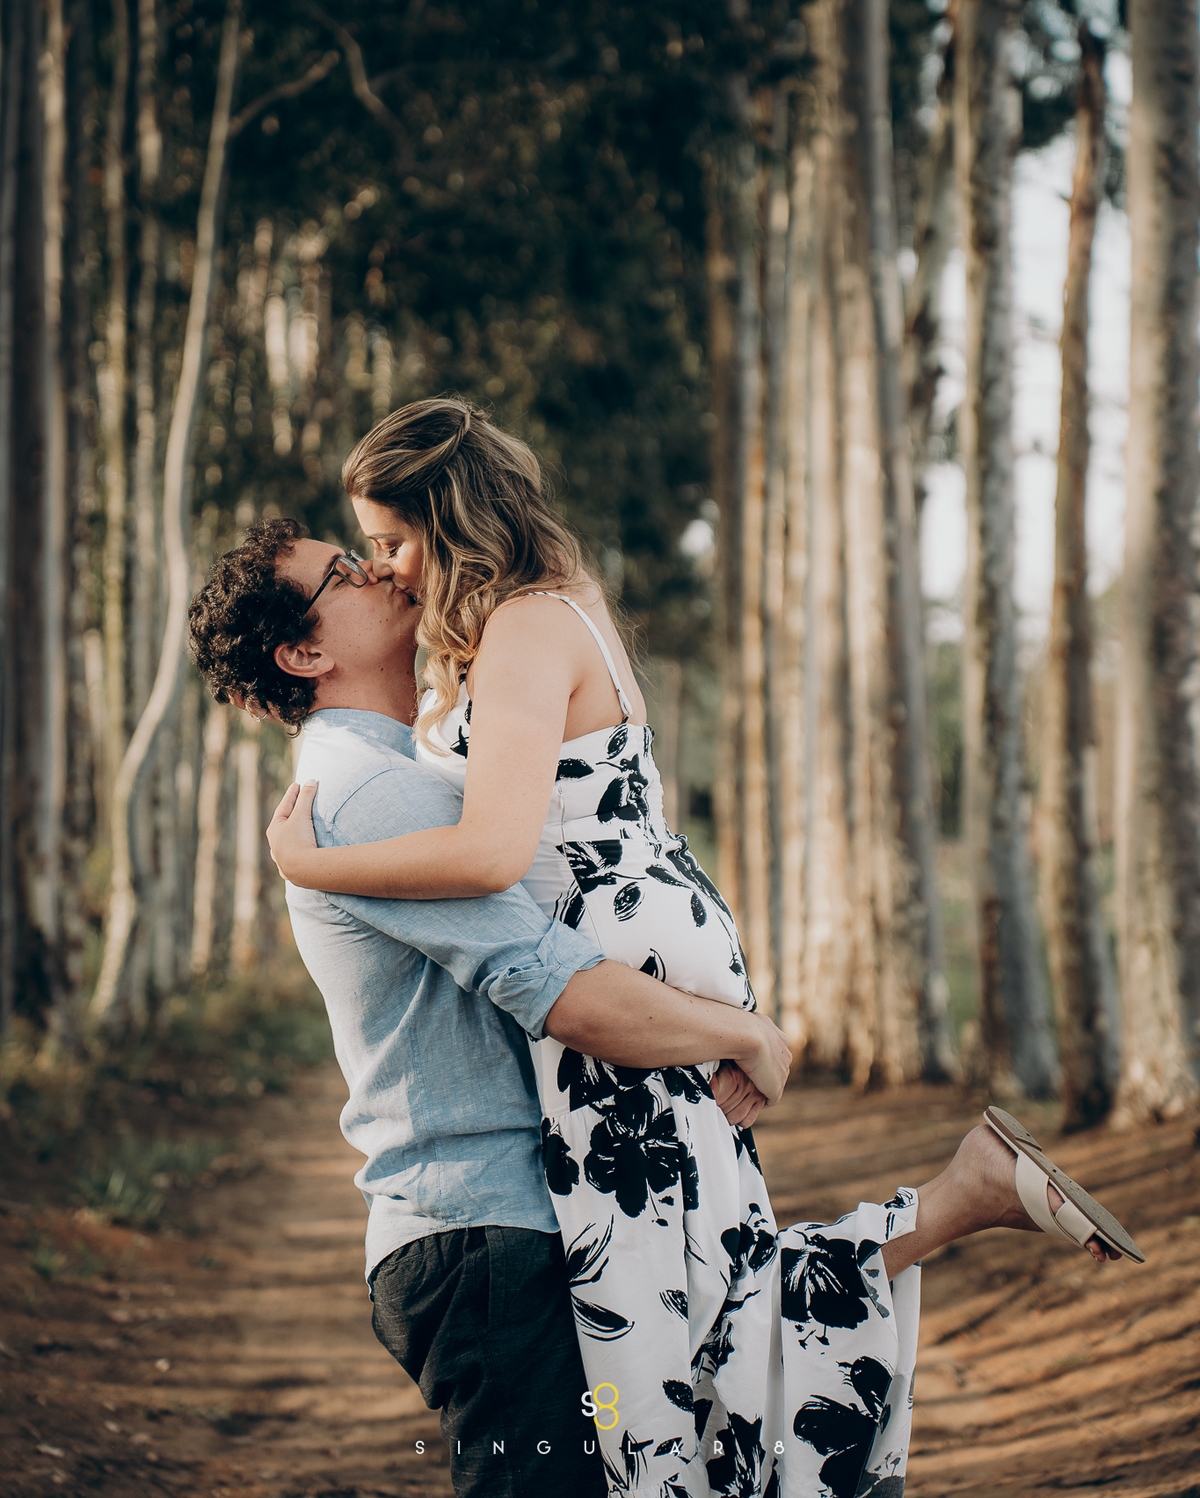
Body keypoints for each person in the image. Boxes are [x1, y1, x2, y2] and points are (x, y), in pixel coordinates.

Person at [266, 399, 1144, 1498]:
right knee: (708, 1292)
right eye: (367, 557)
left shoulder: (525, 628)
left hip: (613, 952)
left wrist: (316, 868)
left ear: (451, 522)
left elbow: (491, 849)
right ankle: (961, 1197)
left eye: (391, 544)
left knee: (654, 1330)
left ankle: (953, 1206)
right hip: (648, 931)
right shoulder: (541, 614)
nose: (388, 572)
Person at [187, 516, 792, 1498]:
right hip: (483, 1250)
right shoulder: (370, 795)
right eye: (344, 571)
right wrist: (742, 1032)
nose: (379, 567)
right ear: (306, 652)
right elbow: (561, 991)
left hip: (488, 1237)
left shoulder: (392, 774)